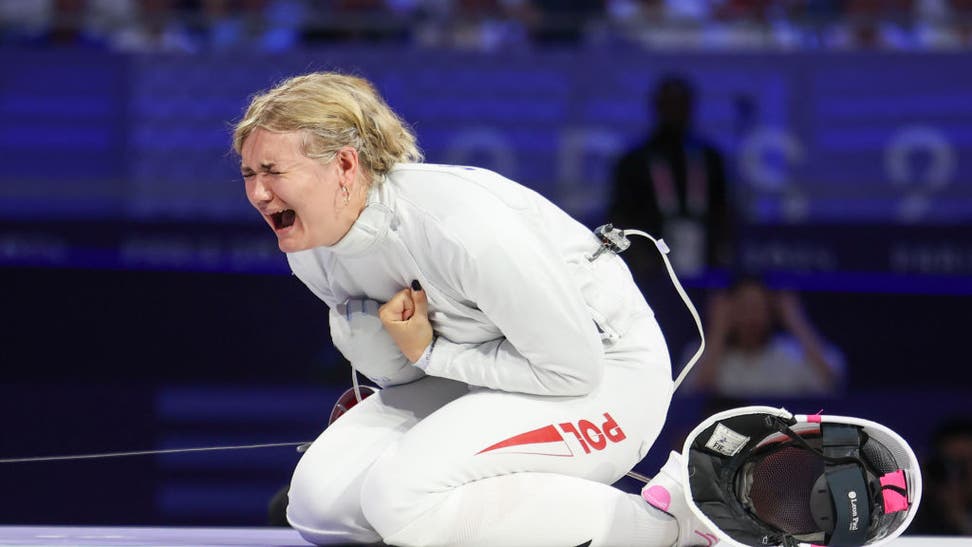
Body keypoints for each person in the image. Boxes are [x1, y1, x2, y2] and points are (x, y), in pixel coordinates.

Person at [232, 72, 711, 546]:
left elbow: (572, 370)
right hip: (483, 377)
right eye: (250, 174)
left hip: (607, 381)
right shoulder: (308, 248)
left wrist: (431, 354)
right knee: (321, 508)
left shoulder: (459, 225)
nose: (258, 193)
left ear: (344, 165)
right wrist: (382, 347)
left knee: (398, 498)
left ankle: (672, 525)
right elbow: (410, 376)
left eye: (273, 171)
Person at [608, 74, 732, 279]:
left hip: (706, 260)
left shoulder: (709, 159)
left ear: (691, 107)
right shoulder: (634, 161)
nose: (675, 111)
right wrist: (641, 259)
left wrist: (721, 254)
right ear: (657, 107)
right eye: (669, 104)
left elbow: (724, 211)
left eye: (680, 104)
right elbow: (620, 215)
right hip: (651, 264)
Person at [689, 276, 845, 399]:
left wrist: (795, 319)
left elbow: (833, 382)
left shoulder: (790, 354)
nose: (751, 317)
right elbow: (692, 399)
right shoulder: (700, 353)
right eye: (743, 307)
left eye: (758, 307)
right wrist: (718, 329)